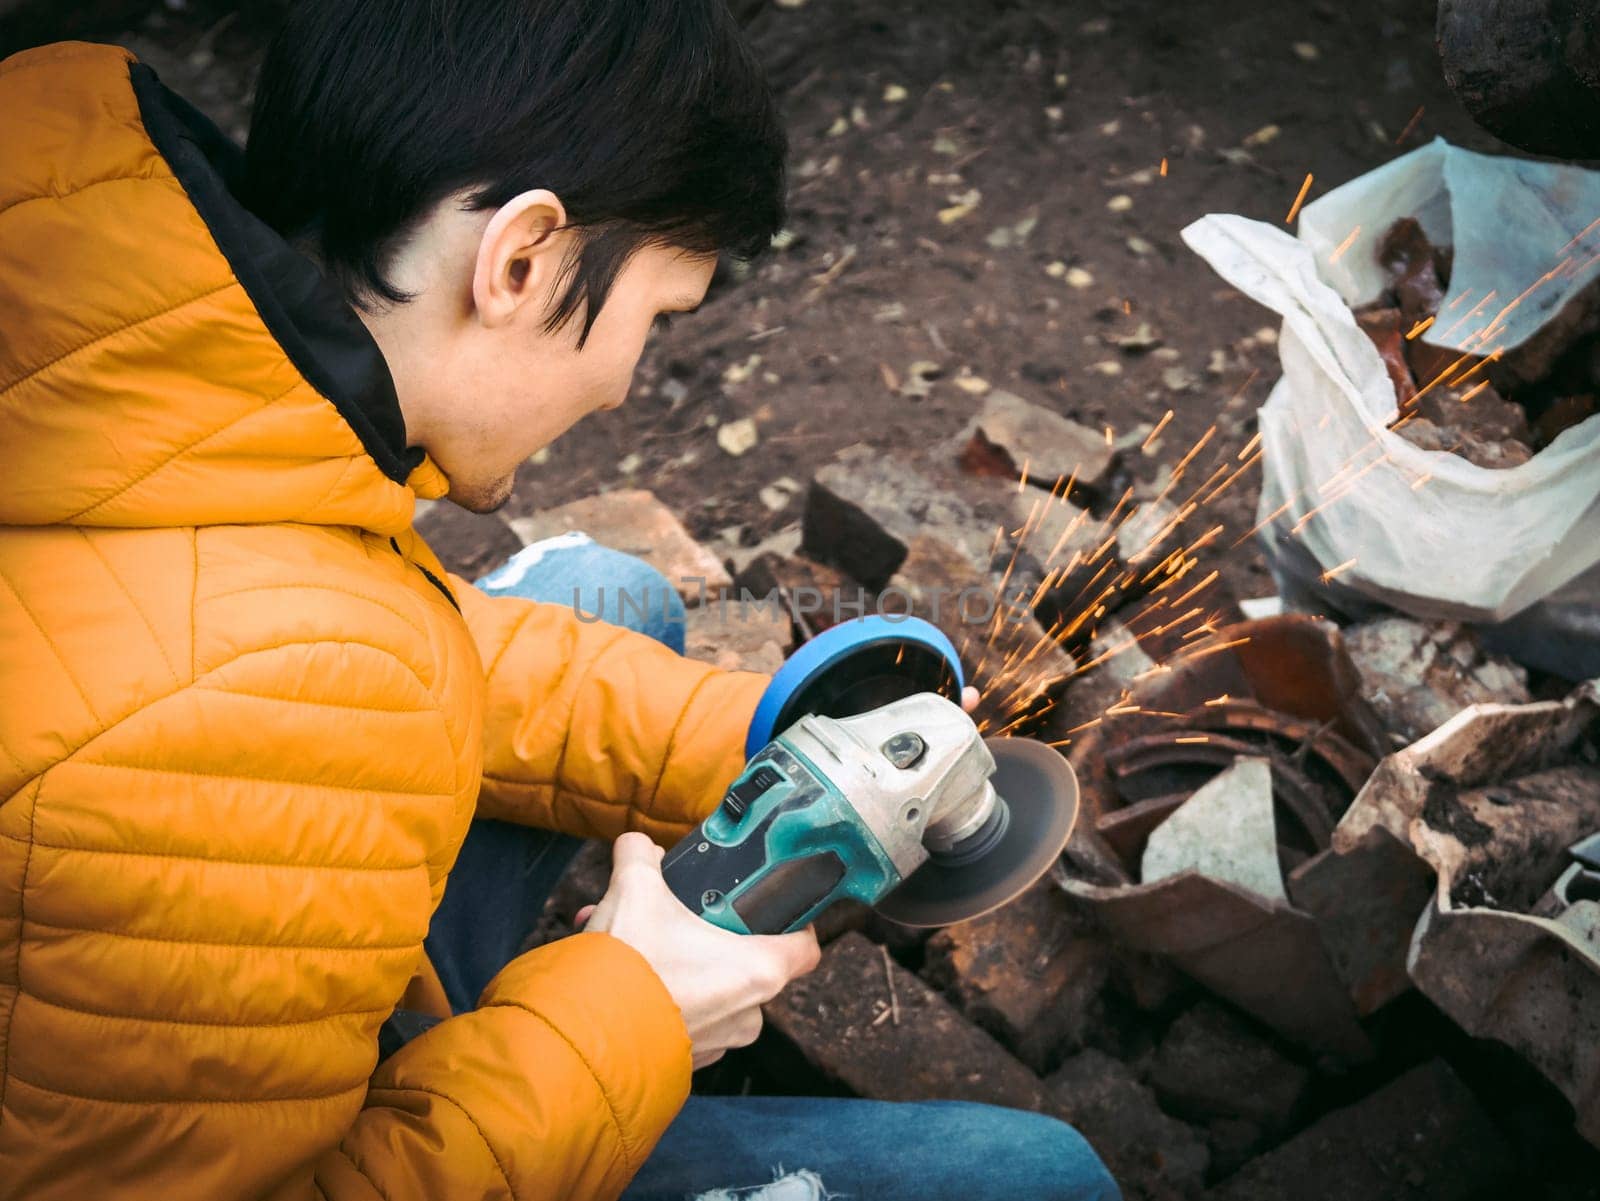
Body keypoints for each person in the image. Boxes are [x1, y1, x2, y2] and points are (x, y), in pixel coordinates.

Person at [0, 3, 1119, 1199]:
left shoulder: (125, 364)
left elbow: (366, 646)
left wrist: (775, 748)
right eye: (655, 319)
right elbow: (296, 684)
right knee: (1035, 1175)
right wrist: (627, 1011)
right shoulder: (248, 693)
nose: (632, 380)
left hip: (174, 961)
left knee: (605, 593)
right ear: (520, 259)